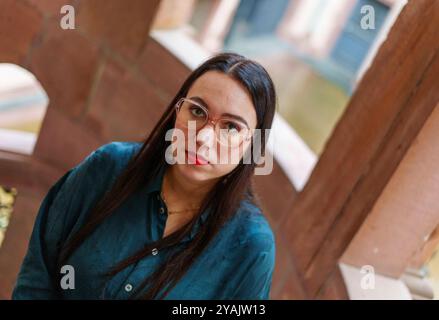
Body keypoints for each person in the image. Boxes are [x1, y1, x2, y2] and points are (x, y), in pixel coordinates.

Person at [12, 52, 277, 300]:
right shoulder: (108, 167)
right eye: (197, 111)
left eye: (230, 127)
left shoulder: (251, 247)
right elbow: (39, 272)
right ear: (177, 111)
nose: (203, 138)